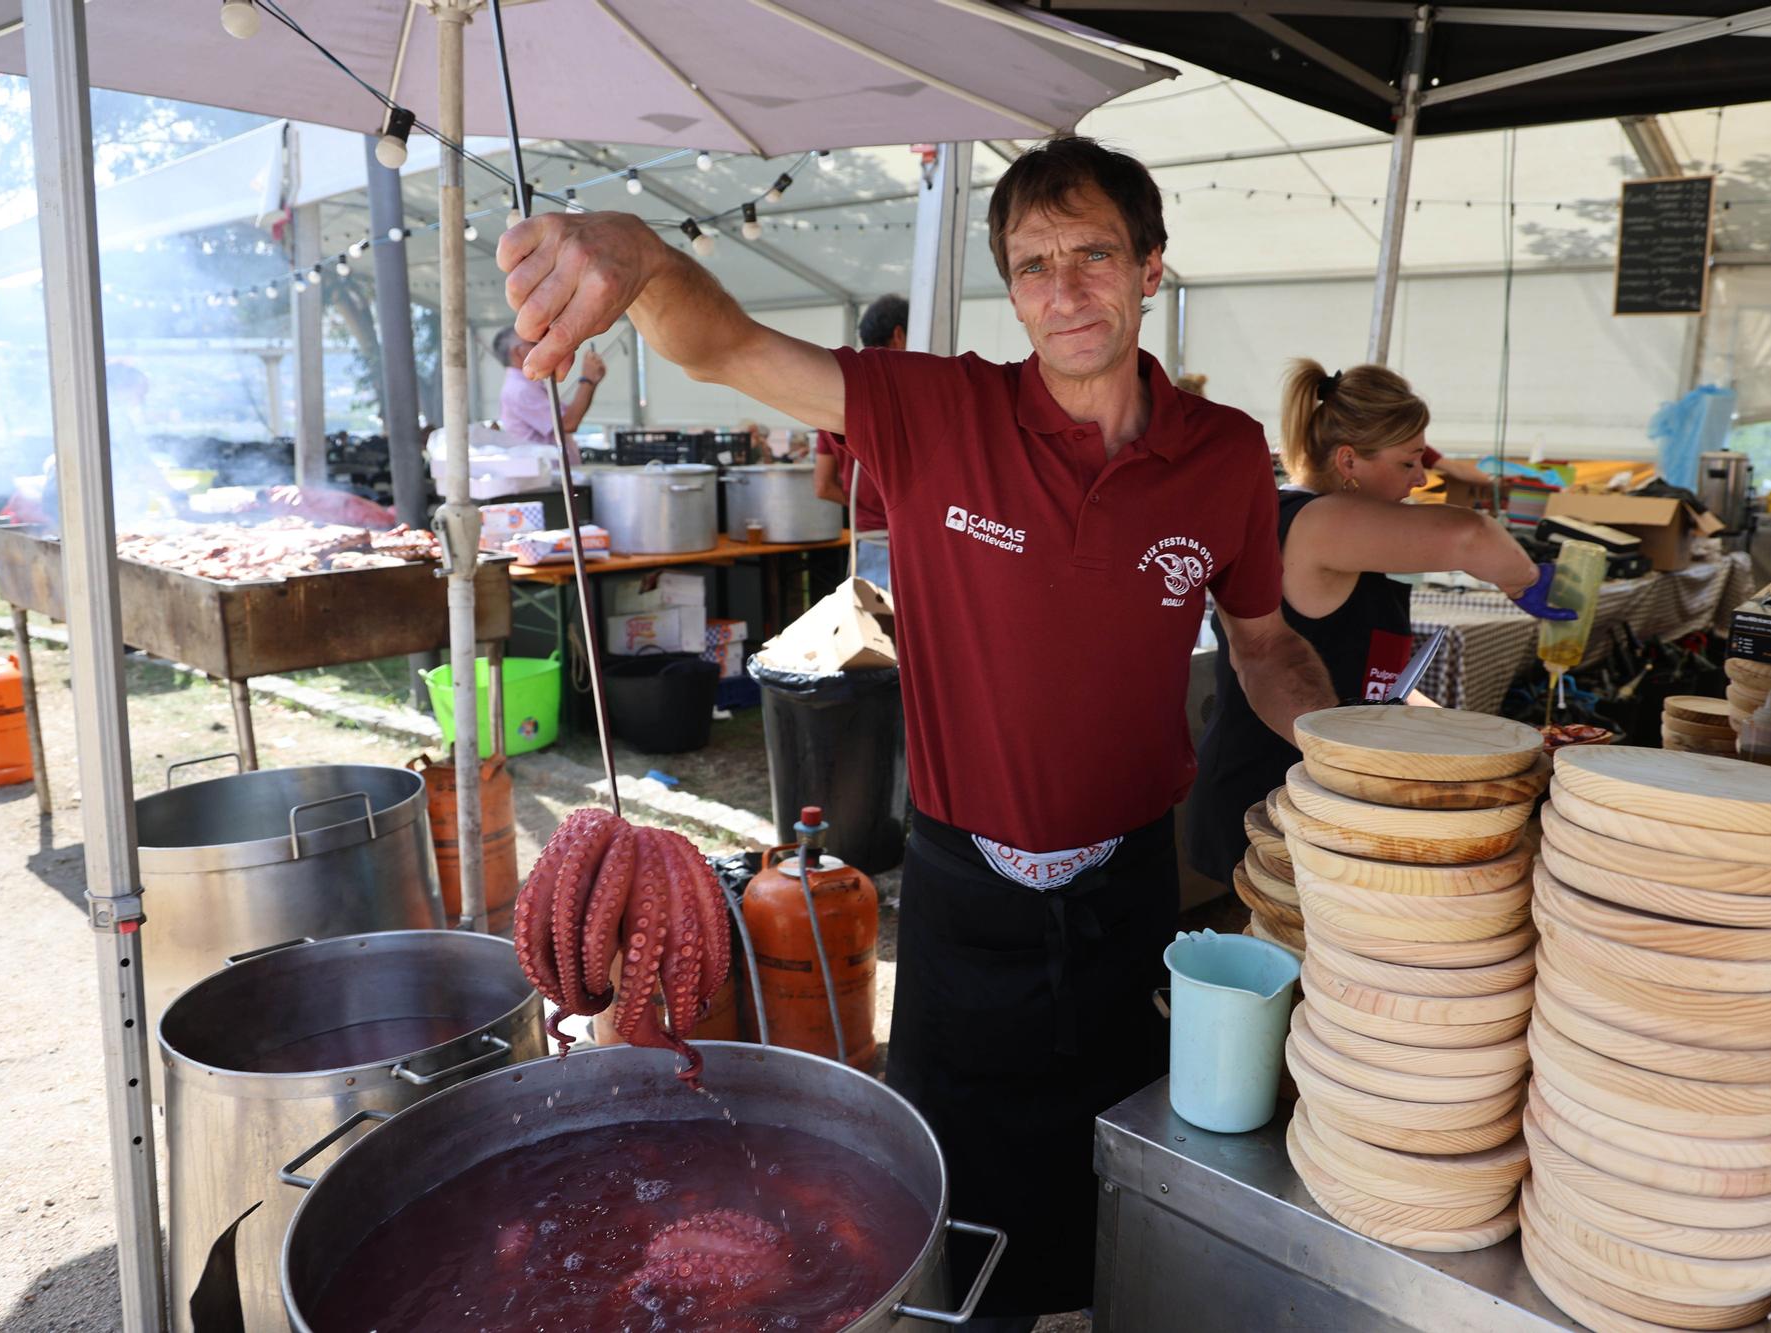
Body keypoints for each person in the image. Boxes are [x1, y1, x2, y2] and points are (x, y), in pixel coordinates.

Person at [498, 135, 1340, 1328]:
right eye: (1033, 263)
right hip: (963, 889)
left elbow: (1263, 648)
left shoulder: (1223, 455)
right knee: (948, 1192)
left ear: (1150, 266)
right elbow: (727, 344)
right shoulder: (935, 409)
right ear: (1010, 285)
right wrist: (640, 259)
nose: (1063, 288)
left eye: (1092, 252)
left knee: (1122, 1164)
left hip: (1129, 888)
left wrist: (1371, 762)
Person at [1185, 360, 1569, 885]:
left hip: (1316, 794)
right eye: (1410, 461)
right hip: (1269, 796)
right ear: (1349, 461)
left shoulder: (1323, 524)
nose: (1423, 478)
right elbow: (1471, 536)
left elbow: (1363, 677)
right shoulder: (1317, 522)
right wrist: (1527, 580)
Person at [814, 294, 906, 590]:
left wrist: (862, 507)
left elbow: (822, 486)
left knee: (867, 632)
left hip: (862, 544)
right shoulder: (909, 393)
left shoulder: (834, 394)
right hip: (902, 545)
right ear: (899, 335)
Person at [493, 324, 604, 443]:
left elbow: (568, 417)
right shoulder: (520, 389)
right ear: (518, 353)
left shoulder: (525, 385)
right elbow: (567, 423)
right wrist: (588, 380)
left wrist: (590, 381)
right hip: (543, 461)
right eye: (534, 344)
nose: (541, 348)